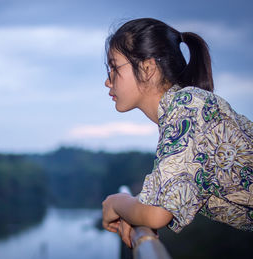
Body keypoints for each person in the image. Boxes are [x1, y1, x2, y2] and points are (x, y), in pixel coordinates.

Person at [101, 18, 253, 248]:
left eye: (114, 67)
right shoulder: (182, 110)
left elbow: (156, 214)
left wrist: (117, 202)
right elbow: (157, 199)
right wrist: (134, 211)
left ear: (148, 68)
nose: (107, 80)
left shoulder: (187, 107)